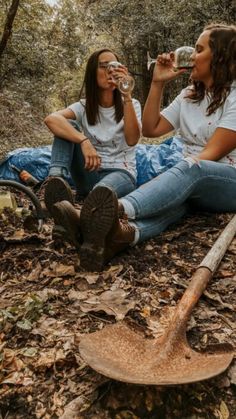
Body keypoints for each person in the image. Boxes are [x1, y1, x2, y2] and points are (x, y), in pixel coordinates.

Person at [52, 23, 236, 271]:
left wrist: (173, 179)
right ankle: (115, 239)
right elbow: (151, 129)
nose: (191, 56)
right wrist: (157, 82)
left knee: (192, 168)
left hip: (225, 180)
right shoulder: (189, 95)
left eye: (199, 49)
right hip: (194, 181)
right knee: (175, 205)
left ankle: (107, 211)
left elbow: (210, 156)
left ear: (221, 57)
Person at [43, 48, 141, 237]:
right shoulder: (83, 106)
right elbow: (51, 119)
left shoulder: (132, 103)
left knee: (100, 194)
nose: (110, 71)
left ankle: (75, 216)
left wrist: (126, 94)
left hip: (121, 173)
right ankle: (55, 183)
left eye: (115, 66)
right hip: (90, 171)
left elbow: (132, 139)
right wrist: (83, 139)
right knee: (66, 124)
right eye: (104, 66)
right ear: (92, 73)